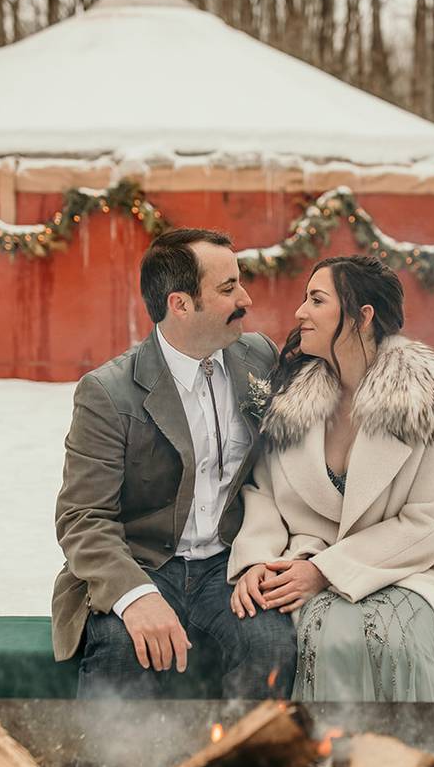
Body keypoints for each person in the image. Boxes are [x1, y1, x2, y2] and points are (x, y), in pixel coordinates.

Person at [227, 255, 434, 703]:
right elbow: (262, 490)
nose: (300, 312)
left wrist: (324, 572)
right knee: (320, 634)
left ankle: (409, 762)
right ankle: (330, 762)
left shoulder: (423, 399)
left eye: (316, 300)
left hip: (412, 568)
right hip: (303, 558)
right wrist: (257, 560)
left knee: (391, 638)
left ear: (362, 316)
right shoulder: (291, 395)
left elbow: (428, 521)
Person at [52, 227, 296, 700]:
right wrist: (136, 596)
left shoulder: (259, 358)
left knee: (272, 644)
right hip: (143, 563)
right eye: (228, 289)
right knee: (123, 649)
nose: (245, 298)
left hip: (231, 564)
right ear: (180, 304)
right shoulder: (108, 392)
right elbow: (83, 518)